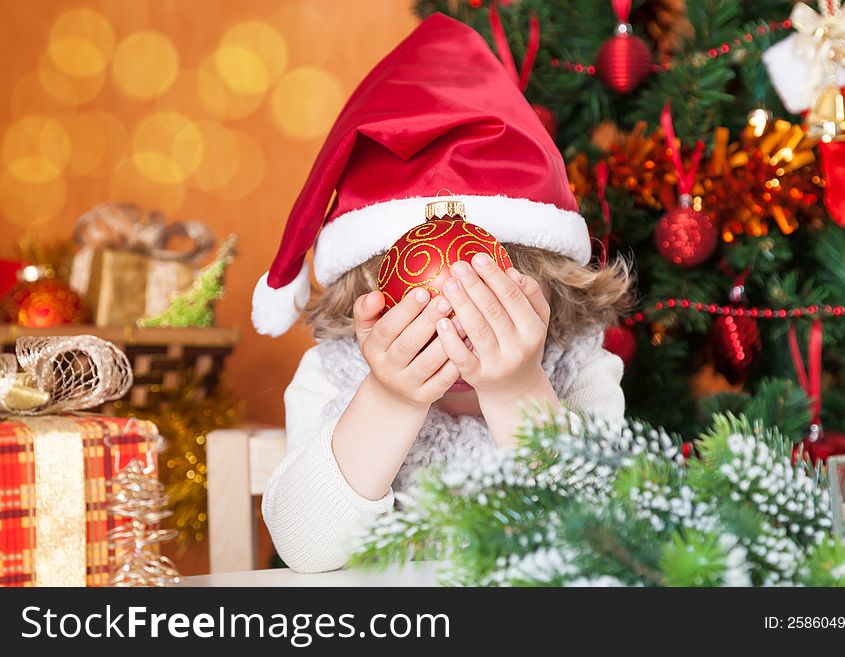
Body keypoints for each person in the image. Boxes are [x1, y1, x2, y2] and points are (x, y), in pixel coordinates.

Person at [252, 14, 630, 573]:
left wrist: (516, 389)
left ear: (547, 292)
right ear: (369, 297)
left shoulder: (578, 369)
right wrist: (390, 398)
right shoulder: (333, 374)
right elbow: (304, 548)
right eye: (420, 310)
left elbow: (601, 545)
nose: (454, 336)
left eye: (489, 301)